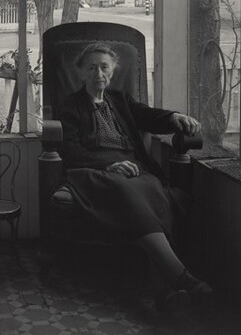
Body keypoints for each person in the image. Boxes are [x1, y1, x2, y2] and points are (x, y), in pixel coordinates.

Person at [56, 42, 213, 312]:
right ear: (81, 73)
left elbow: (148, 116)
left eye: (104, 67)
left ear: (113, 71)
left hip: (134, 169)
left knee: (152, 188)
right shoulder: (70, 107)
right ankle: (182, 278)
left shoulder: (120, 100)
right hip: (93, 172)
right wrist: (109, 166)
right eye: (91, 68)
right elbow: (70, 149)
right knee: (128, 190)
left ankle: (164, 295)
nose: (98, 73)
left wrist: (174, 117)